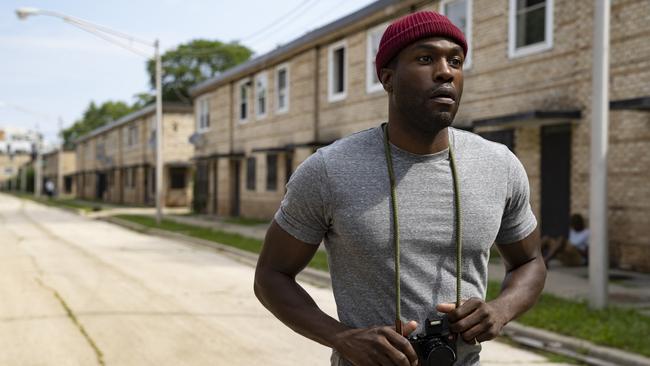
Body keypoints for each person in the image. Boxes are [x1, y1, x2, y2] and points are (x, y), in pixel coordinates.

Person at [254, 11, 546, 366]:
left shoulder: (499, 165)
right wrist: (342, 337)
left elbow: (530, 261)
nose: (445, 72)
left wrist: (500, 310)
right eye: (426, 59)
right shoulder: (329, 169)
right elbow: (271, 275)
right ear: (388, 79)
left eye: (455, 61)